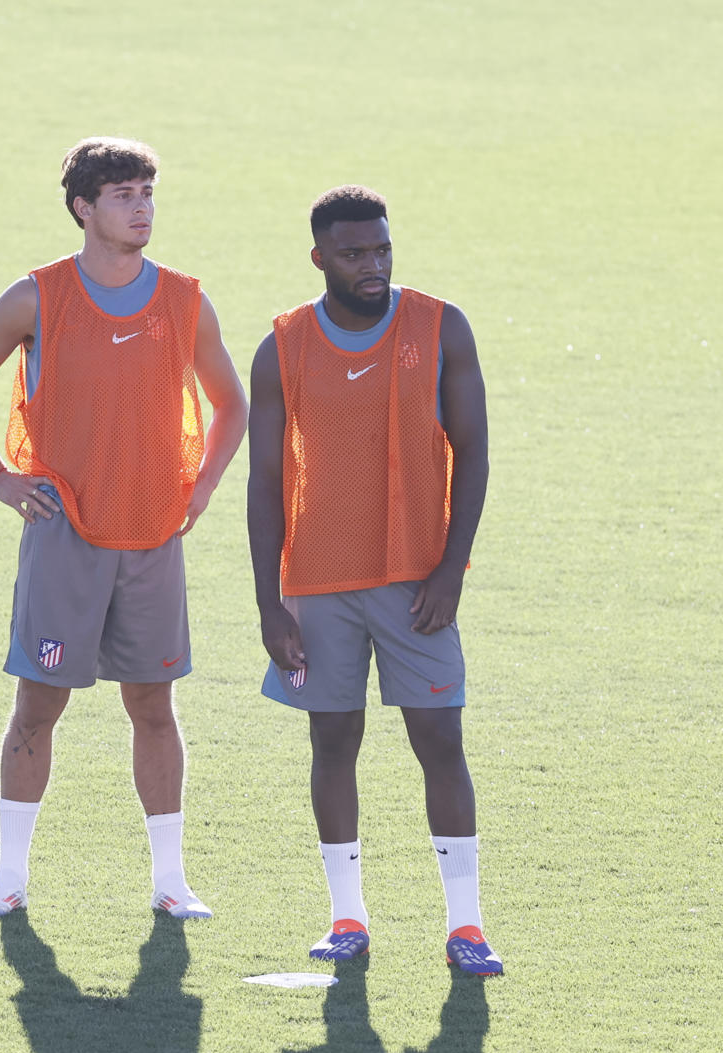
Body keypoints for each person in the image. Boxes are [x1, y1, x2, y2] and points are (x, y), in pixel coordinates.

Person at [0, 138, 248, 919]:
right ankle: (8, 879)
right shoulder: (37, 298)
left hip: (150, 538)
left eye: (147, 193)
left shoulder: (183, 300)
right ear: (83, 207)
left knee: (154, 707)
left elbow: (233, 405)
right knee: (37, 707)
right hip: (64, 536)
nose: (141, 208)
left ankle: (171, 883)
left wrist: (201, 487)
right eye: (123, 195)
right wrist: (0, 479)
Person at [246, 185, 498, 974]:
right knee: (333, 741)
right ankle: (346, 918)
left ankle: (467, 926)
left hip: (417, 582)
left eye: (382, 249)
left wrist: (452, 570)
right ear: (319, 256)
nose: (373, 265)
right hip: (318, 584)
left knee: (440, 741)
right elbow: (262, 483)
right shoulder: (282, 346)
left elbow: (475, 453)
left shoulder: (439, 325)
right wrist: (270, 605)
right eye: (354, 253)